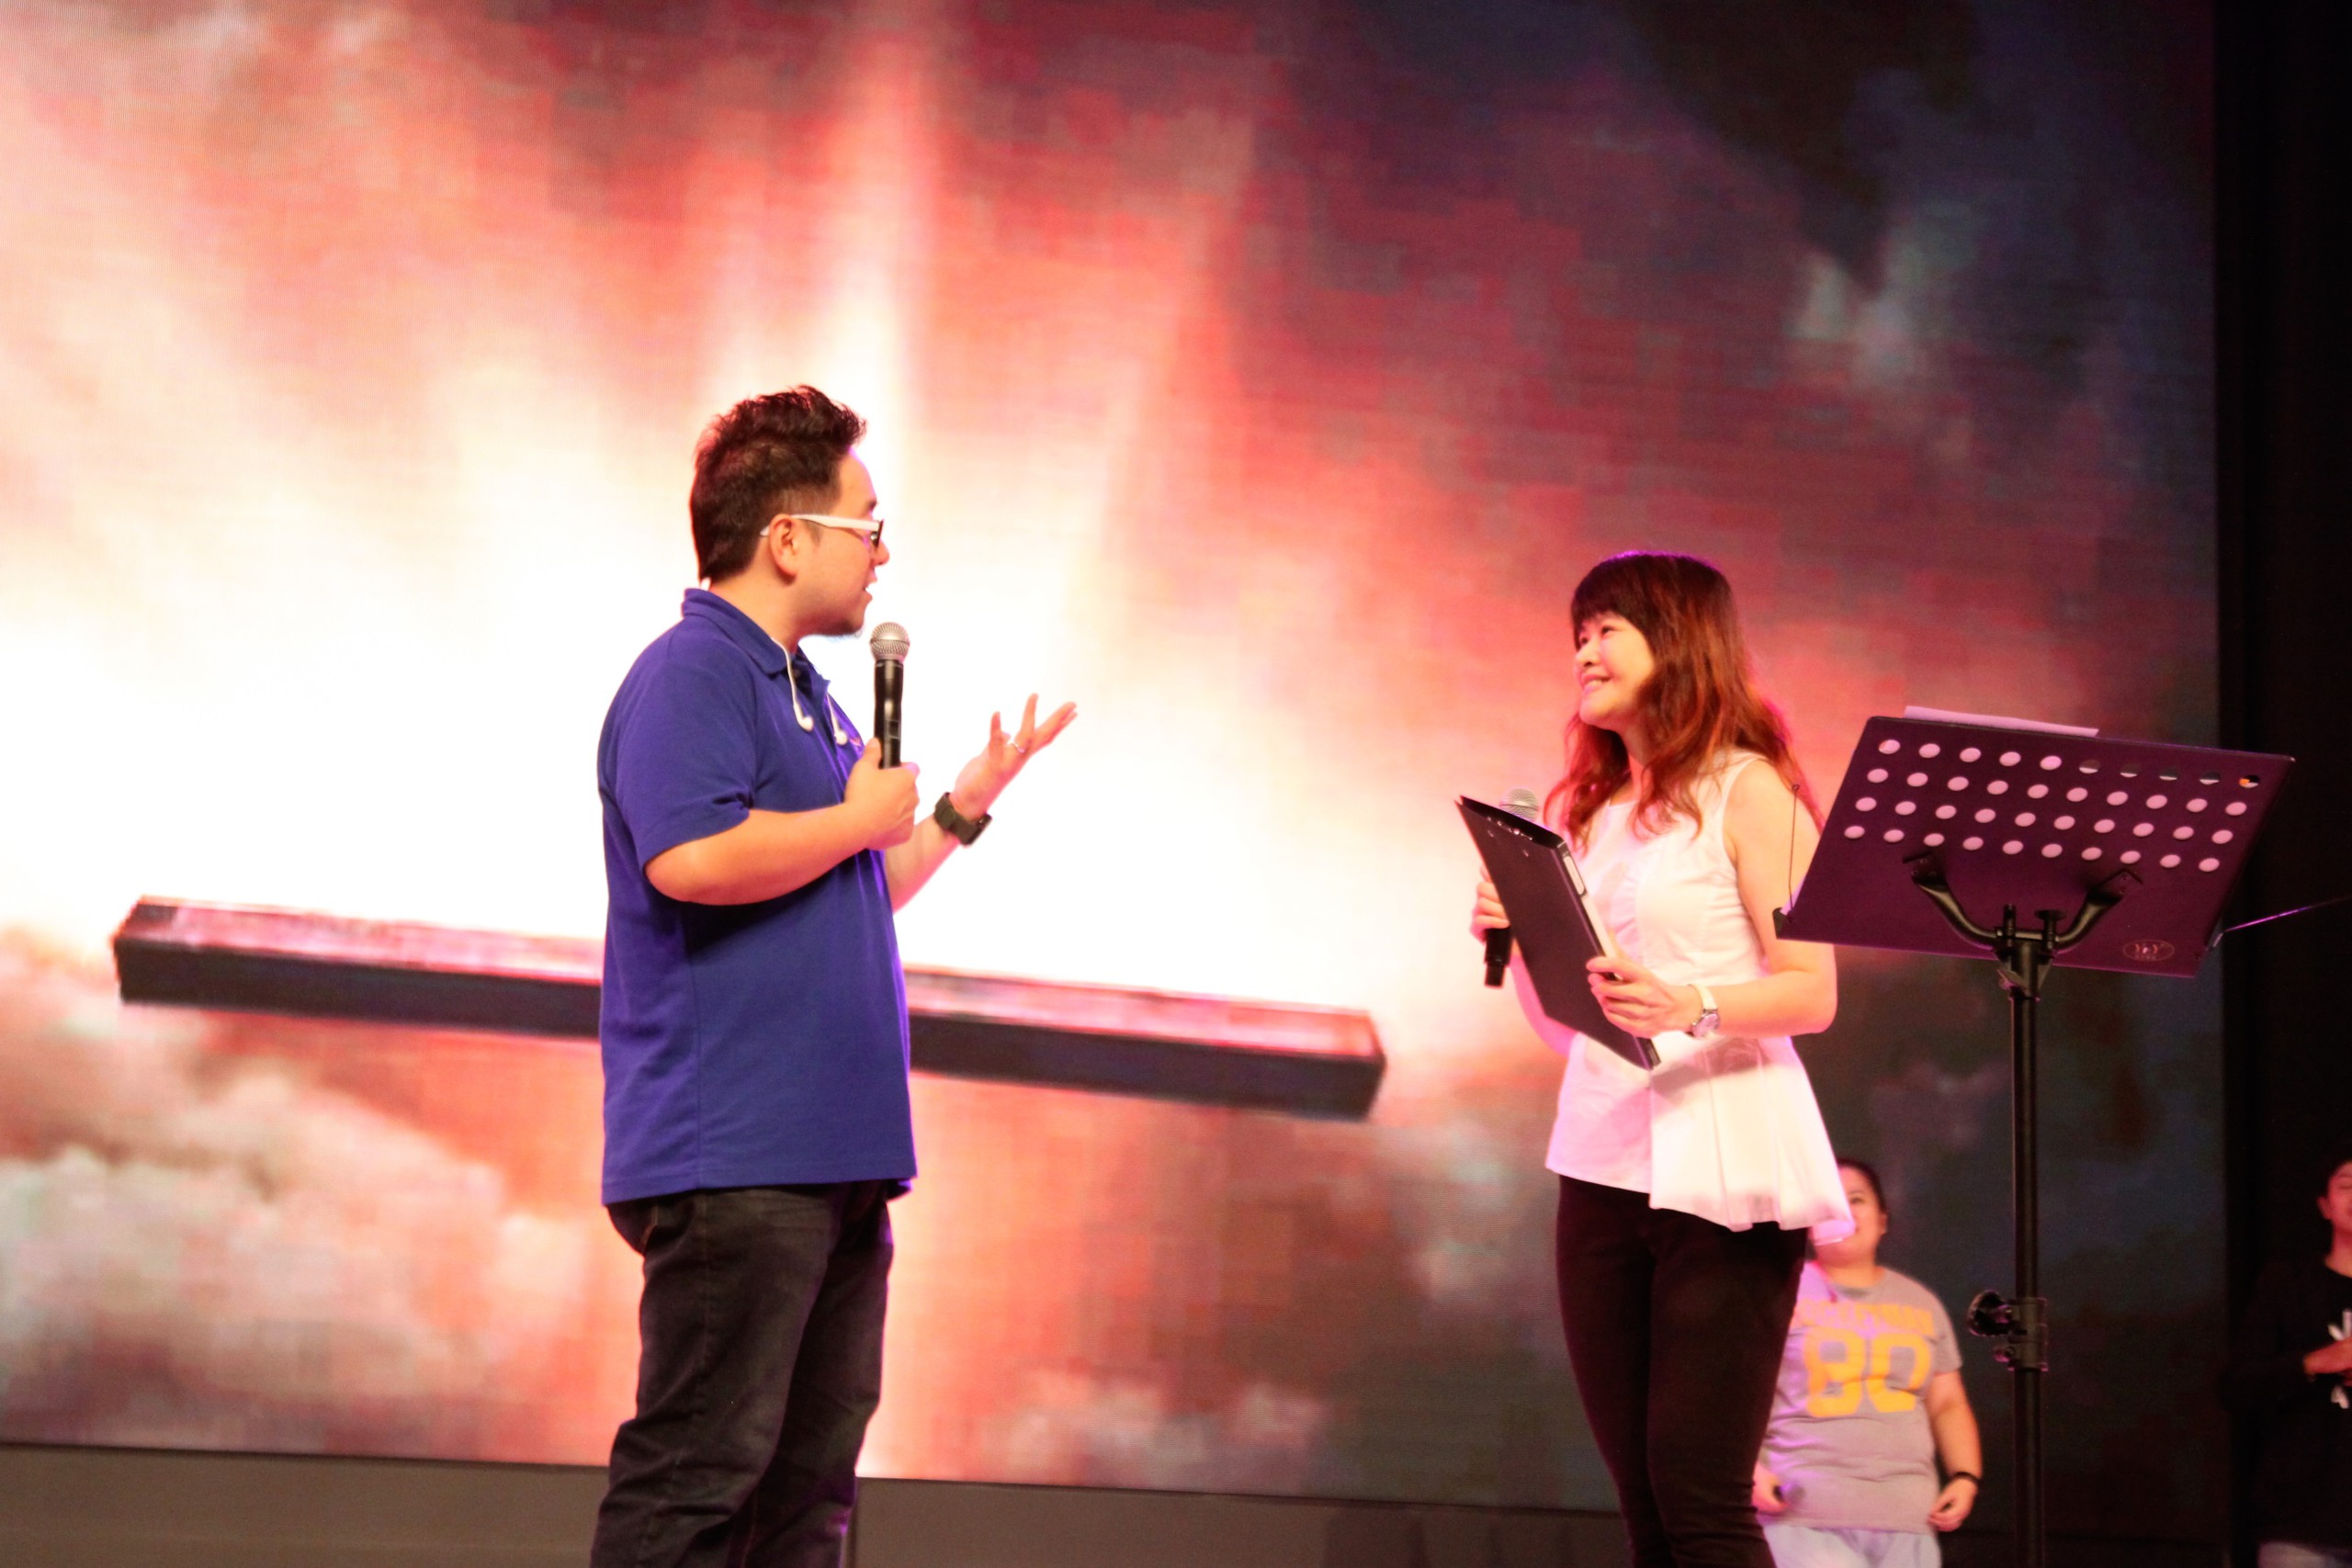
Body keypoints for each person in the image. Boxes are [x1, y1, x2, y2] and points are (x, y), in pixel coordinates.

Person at [590, 386, 1075, 1568]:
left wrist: (958, 805)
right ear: (786, 538)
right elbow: (691, 859)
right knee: (698, 1479)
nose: (882, 554)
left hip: (836, 1157)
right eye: (869, 525)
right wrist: (856, 819)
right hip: (740, 1154)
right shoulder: (693, 672)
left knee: (808, 1497)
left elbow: (861, 881)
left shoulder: (805, 691)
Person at [1471, 550, 1851, 1568]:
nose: (1584, 652)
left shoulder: (1750, 789)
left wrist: (1695, 1003)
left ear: (1677, 640)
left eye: (1608, 629)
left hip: (1727, 1163)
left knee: (1700, 1503)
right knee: (1644, 1506)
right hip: (1601, 1165)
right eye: (1579, 633)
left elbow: (1812, 990)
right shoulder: (1591, 816)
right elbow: (1572, 1025)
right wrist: (1519, 944)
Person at [1752, 1158, 1982, 1566]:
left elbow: (1948, 1403)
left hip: (1909, 1518)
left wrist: (1966, 1476)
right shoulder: (1778, 1294)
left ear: (1882, 1219)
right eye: (1829, 1203)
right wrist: (1750, 1469)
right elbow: (1736, 1393)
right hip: (1803, 1515)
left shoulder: (1921, 1302)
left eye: (1856, 1199)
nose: (1843, 1212)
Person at [2222, 1145, 2352, 1568]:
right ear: (2324, 1205)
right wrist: (2315, 1362)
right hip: (2301, 1525)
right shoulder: (2288, 1285)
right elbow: (2236, 1385)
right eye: (2347, 1186)